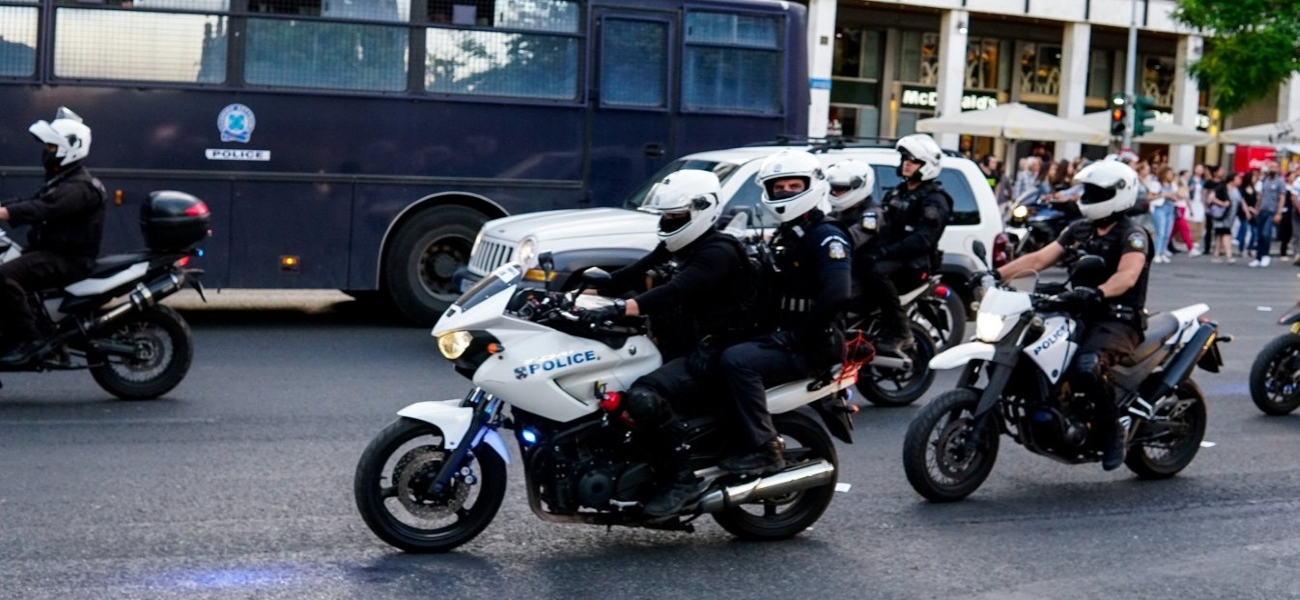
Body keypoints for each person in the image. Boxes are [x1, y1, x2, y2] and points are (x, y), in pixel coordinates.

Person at [577, 169, 757, 517]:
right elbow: (628, 276)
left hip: (713, 351)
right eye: (666, 216)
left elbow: (675, 291)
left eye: (676, 216)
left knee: (643, 396)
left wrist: (622, 307)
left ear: (703, 210)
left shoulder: (718, 252)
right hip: (680, 346)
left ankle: (680, 479)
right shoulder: (677, 246)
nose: (669, 222)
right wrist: (572, 296)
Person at [990, 159, 1151, 471]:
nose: (1087, 197)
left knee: (1087, 366)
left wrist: (1099, 292)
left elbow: (1127, 276)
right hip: (1077, 310)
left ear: (1118, 195)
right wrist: (994, 274)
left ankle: (1112, 431)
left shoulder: (1133, 234)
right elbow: (1039, 258)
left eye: (1095, 192)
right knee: (1026, 347)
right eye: (1087, 191)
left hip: (1118, 319)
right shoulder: (1081, 228)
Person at [716, 149, 852, 477]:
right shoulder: (790, 231)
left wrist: (795, 337)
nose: (785, 192)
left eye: (794, 186)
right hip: (786, 334)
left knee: (737, 361)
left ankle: (766, 450)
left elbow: (837, 293)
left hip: (812, 344)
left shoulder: (826, 235)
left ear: (812, 186)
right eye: (779, 187)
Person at [0, 107, 105, 364]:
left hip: (66, 259)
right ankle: (39, 333)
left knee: (3, 276)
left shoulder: (79, 188)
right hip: (51, 253)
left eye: (51, 146)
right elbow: (31, 201)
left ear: (70, 148)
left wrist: (4, 213)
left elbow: (44, 208)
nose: (46, 152)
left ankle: (30, 339)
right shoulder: (63, 180)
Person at [856, 134, 951, 354]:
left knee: (875, 271)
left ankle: (901, 331)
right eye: (905, 159)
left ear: (927, 165)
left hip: (914, 263)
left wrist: (884, 251)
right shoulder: (899, 191)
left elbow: (922, 240)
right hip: (893, 256)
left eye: (913, 160)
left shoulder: (934, 200)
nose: (906, 164)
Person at [1251, 165, 1287, 268]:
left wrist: (1279, 213)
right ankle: (1258, 257)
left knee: (1266, 233)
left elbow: (1282, 198)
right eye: (1271, 167)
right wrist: (1257, 207)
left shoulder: (1280, 182)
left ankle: (1266, 255)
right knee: (1259, 235)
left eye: (1275, 167)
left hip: (1272, 211)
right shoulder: (1265, 180)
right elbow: (1261, 195)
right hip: (1262, 210)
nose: (1273, 169)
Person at [1209, 172, 1240, 264]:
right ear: (1232, 180)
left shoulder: (1236, 189)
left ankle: (1216, 255)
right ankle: (1229, 256)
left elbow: (1240, 201)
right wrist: (1222, 203)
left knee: (1219, 235)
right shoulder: (1222, 187)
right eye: (1237, 179)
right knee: (1226, 234)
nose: (1239, 181)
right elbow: (1211, 197)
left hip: (1231, 216)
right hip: (1222, 215)